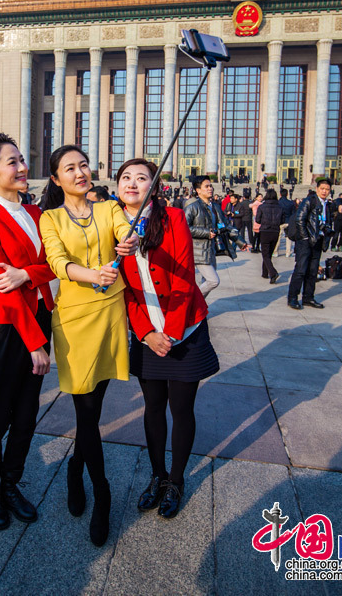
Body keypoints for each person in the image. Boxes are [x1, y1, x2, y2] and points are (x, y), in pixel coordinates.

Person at [39, 145, 138, 547]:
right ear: (56, 179)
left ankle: (76, 468)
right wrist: (91, 275)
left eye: (84, 165)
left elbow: (126, 233)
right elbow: (57, 262)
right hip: (75, 320)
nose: (80, 172)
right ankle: (103, 494)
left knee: (92, 410)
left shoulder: (110, 208)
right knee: (86, 411)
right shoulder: (50, 218)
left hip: (111, 314)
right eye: (70, 168)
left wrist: (130, 242)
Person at [116, 160, 219, 519]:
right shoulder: (114, 226)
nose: (132, 183)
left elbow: (186, 276)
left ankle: (176, 480)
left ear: (154, 187)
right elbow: (124, 290)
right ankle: (157, 476)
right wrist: (146, 332)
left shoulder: (172, 218)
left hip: (183, 330)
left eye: (141, 178)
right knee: (153, 407)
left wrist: (170, 334)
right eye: (125, 177)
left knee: (181, 408)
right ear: (117, 187)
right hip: (147, 334)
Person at [0, 133, 55, 531]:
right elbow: (2, 286)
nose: (22, 168)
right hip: (6, 329)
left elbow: (56, 265)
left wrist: (27, 273)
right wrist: (35, 343)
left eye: (21, 159)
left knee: (26, 415)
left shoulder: (40, 214)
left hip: (39, 318)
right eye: (12, 163)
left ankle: (10, 482)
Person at [184, 175, 248, 299]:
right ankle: (191, 301)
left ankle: (199, 312)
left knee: (205, 282)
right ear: (198, 190)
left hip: (211, 249)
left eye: (211, 186)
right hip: (198, 251)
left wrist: (240, 242)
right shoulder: (193, 207)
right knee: (213, 281)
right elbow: (185, 227)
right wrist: (206, 232)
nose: (210, 189)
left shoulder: (215, 207)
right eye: (206, 186)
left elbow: (226, 226)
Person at [287, 178, 333, 310]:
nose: (324, 191)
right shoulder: (309, 201)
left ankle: (308, 297)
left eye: (327, 189)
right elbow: (299, 220)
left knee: (313, 271)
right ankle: (293, 298)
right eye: (322, 189)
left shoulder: (327, 205)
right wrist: (305, 238)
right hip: (306, 242)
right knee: (301, 270)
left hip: (318, 241)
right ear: (317, 189)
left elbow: (325, 221)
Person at [255, 189, 285, 284]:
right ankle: (265, 273)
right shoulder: (280, 207)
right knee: (269, 253)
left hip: (265, 231)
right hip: (275, 231)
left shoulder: (262, 207)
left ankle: (272, 273)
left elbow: (258, 220)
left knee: (265, 254)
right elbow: (282, 220)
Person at [273, 188, 295, 258]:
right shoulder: (291, 203)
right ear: (287, 194)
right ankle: (288, 253)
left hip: (279, 222)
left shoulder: (277, 203)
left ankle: (275, 252)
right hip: (288, 221)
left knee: (278, 237)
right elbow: (293, 213)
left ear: (280, 194)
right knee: (288, 237)